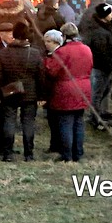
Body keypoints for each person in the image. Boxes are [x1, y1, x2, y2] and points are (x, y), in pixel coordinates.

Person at [0, 20, 43, 161]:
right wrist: (42, 95)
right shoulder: (35, 54)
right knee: (28, 123)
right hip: (30, 93)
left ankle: (8, 153)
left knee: (9, 122)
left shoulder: (3, 53)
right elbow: (41, 77)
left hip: (9, 92)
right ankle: (29, 154)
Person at [45, 22, 94, 162]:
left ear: (64, 36)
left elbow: (52, 71)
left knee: (65, 123)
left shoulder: (62, 52)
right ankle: (78, 153)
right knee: (78, 121)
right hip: (84, 87)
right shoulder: (86, 49)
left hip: (65, 89)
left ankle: (66, 154)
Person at [82, 3, 112, 126]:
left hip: (103, 67)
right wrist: (110, 65)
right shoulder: (101, 33)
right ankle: (95, 118)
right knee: (97, 93)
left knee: (101, 92)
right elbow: (102, 53)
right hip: (101, 68)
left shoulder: (103, 28)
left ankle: (97, 115)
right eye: (110, 13)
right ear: (104, 15)